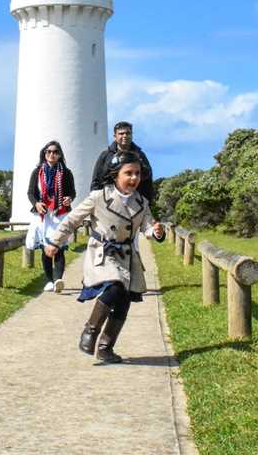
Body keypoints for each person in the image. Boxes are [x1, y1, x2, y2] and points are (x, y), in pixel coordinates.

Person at [46, 151, 165, 363]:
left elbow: (147, 226)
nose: (134, 178)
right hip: (102, 252)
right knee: (115, 286)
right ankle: (90, 331)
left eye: (137, 173)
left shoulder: (142, 202)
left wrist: (156, 232)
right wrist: (55, 241)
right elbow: (72, 220)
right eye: (128, 173)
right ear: (115, 174)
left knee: (124, 301)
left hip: (127, 255)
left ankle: (106, 347)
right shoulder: (98, 197)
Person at [25, 140, 76, 293]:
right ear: (44, 154)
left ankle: (58, 279)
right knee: (45, 248)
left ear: (60, 154)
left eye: (55, 152)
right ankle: (49, 280)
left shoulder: (66, 172)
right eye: (49, 152)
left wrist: (69, 198)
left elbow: (72, 192)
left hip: (60, 213)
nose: (52, 154)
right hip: (43, 214)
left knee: (58, 247)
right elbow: (30, 193)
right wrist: (36, 204)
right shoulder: (37, 172)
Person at [90, 121, 154, 202]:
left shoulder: (140, 155)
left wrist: (147, 202)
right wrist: (95, 201)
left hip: (134, 201)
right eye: (121, 133)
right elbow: (96, 181)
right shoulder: (105, 156)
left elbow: (147, 181)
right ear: (115, 136)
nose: (125, 136)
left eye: (128, 133)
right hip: (109, 201)